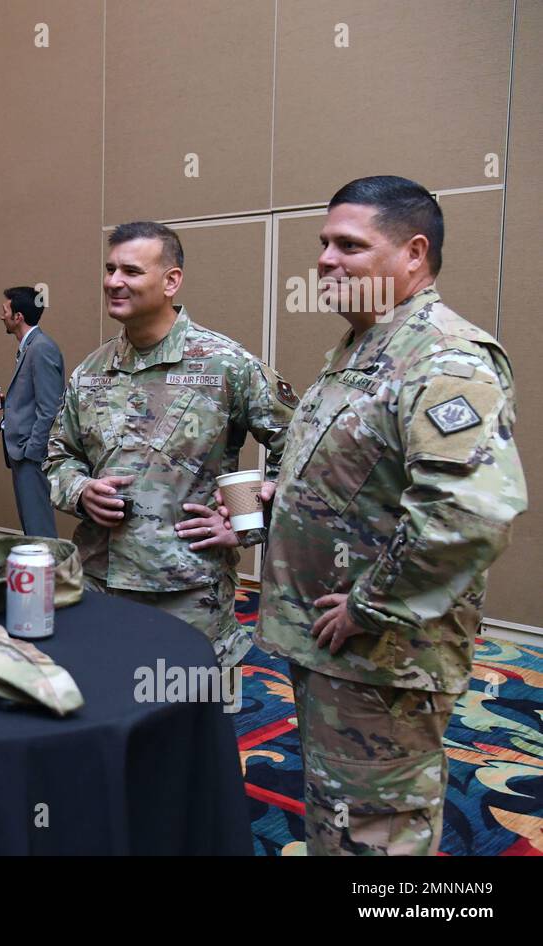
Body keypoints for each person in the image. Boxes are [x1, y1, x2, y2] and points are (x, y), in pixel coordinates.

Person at [251, 176, 527, 855]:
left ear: (414, 254)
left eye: (350, 245)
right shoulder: (361, 349)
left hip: (384, 656)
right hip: (334, 650)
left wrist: (369, 606)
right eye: (323, 244)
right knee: (342, 818)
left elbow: (468, 513)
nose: (325, 261)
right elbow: (368, 475)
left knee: (377, 836)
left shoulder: (446, 358)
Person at [45, 221, 295, 667]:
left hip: (187, 591)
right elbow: (59, 455)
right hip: (100, 582)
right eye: (109, 269)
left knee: (186, 722)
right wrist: (81, 492)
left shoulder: (226, 365)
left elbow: (299, 448)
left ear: (171, 281)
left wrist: (245, 522)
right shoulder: (91, 371)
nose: (113, 282)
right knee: (103, 705)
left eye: (131, 271)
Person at [0, 286, 63, 537]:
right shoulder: (30, 347)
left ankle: (48, 573)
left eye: (5, 310)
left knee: (38, 526)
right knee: (31, 524)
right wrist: (7, 399)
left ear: (18, 317)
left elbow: (50, 407)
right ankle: (36, 573)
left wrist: (32, 452)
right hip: (20, 452)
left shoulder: (41, 348)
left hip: (30, 454)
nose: (1, 315)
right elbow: (34, 394)